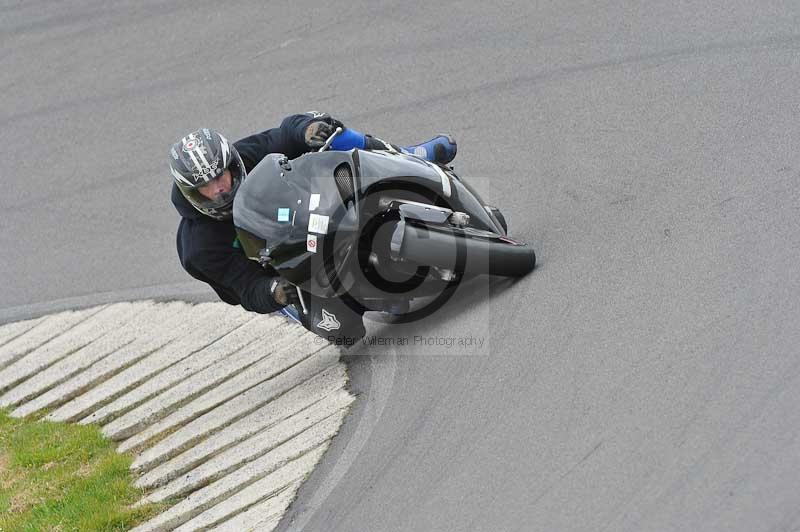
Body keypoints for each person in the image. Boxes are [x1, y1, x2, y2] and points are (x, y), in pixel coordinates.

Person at [169, 112, 456, 344]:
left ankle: (408, 157)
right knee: (344, 331)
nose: (219, 188)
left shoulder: (246, 155)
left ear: (232, 164)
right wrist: (274, 292)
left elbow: (284, 133)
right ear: (191, 193)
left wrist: (306, 130)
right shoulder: (199, 247)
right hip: (281, 268)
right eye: (206, 187)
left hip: (311, 211)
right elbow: (244, 287)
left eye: (222, 175)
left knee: (335, 135)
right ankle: (364, 294)